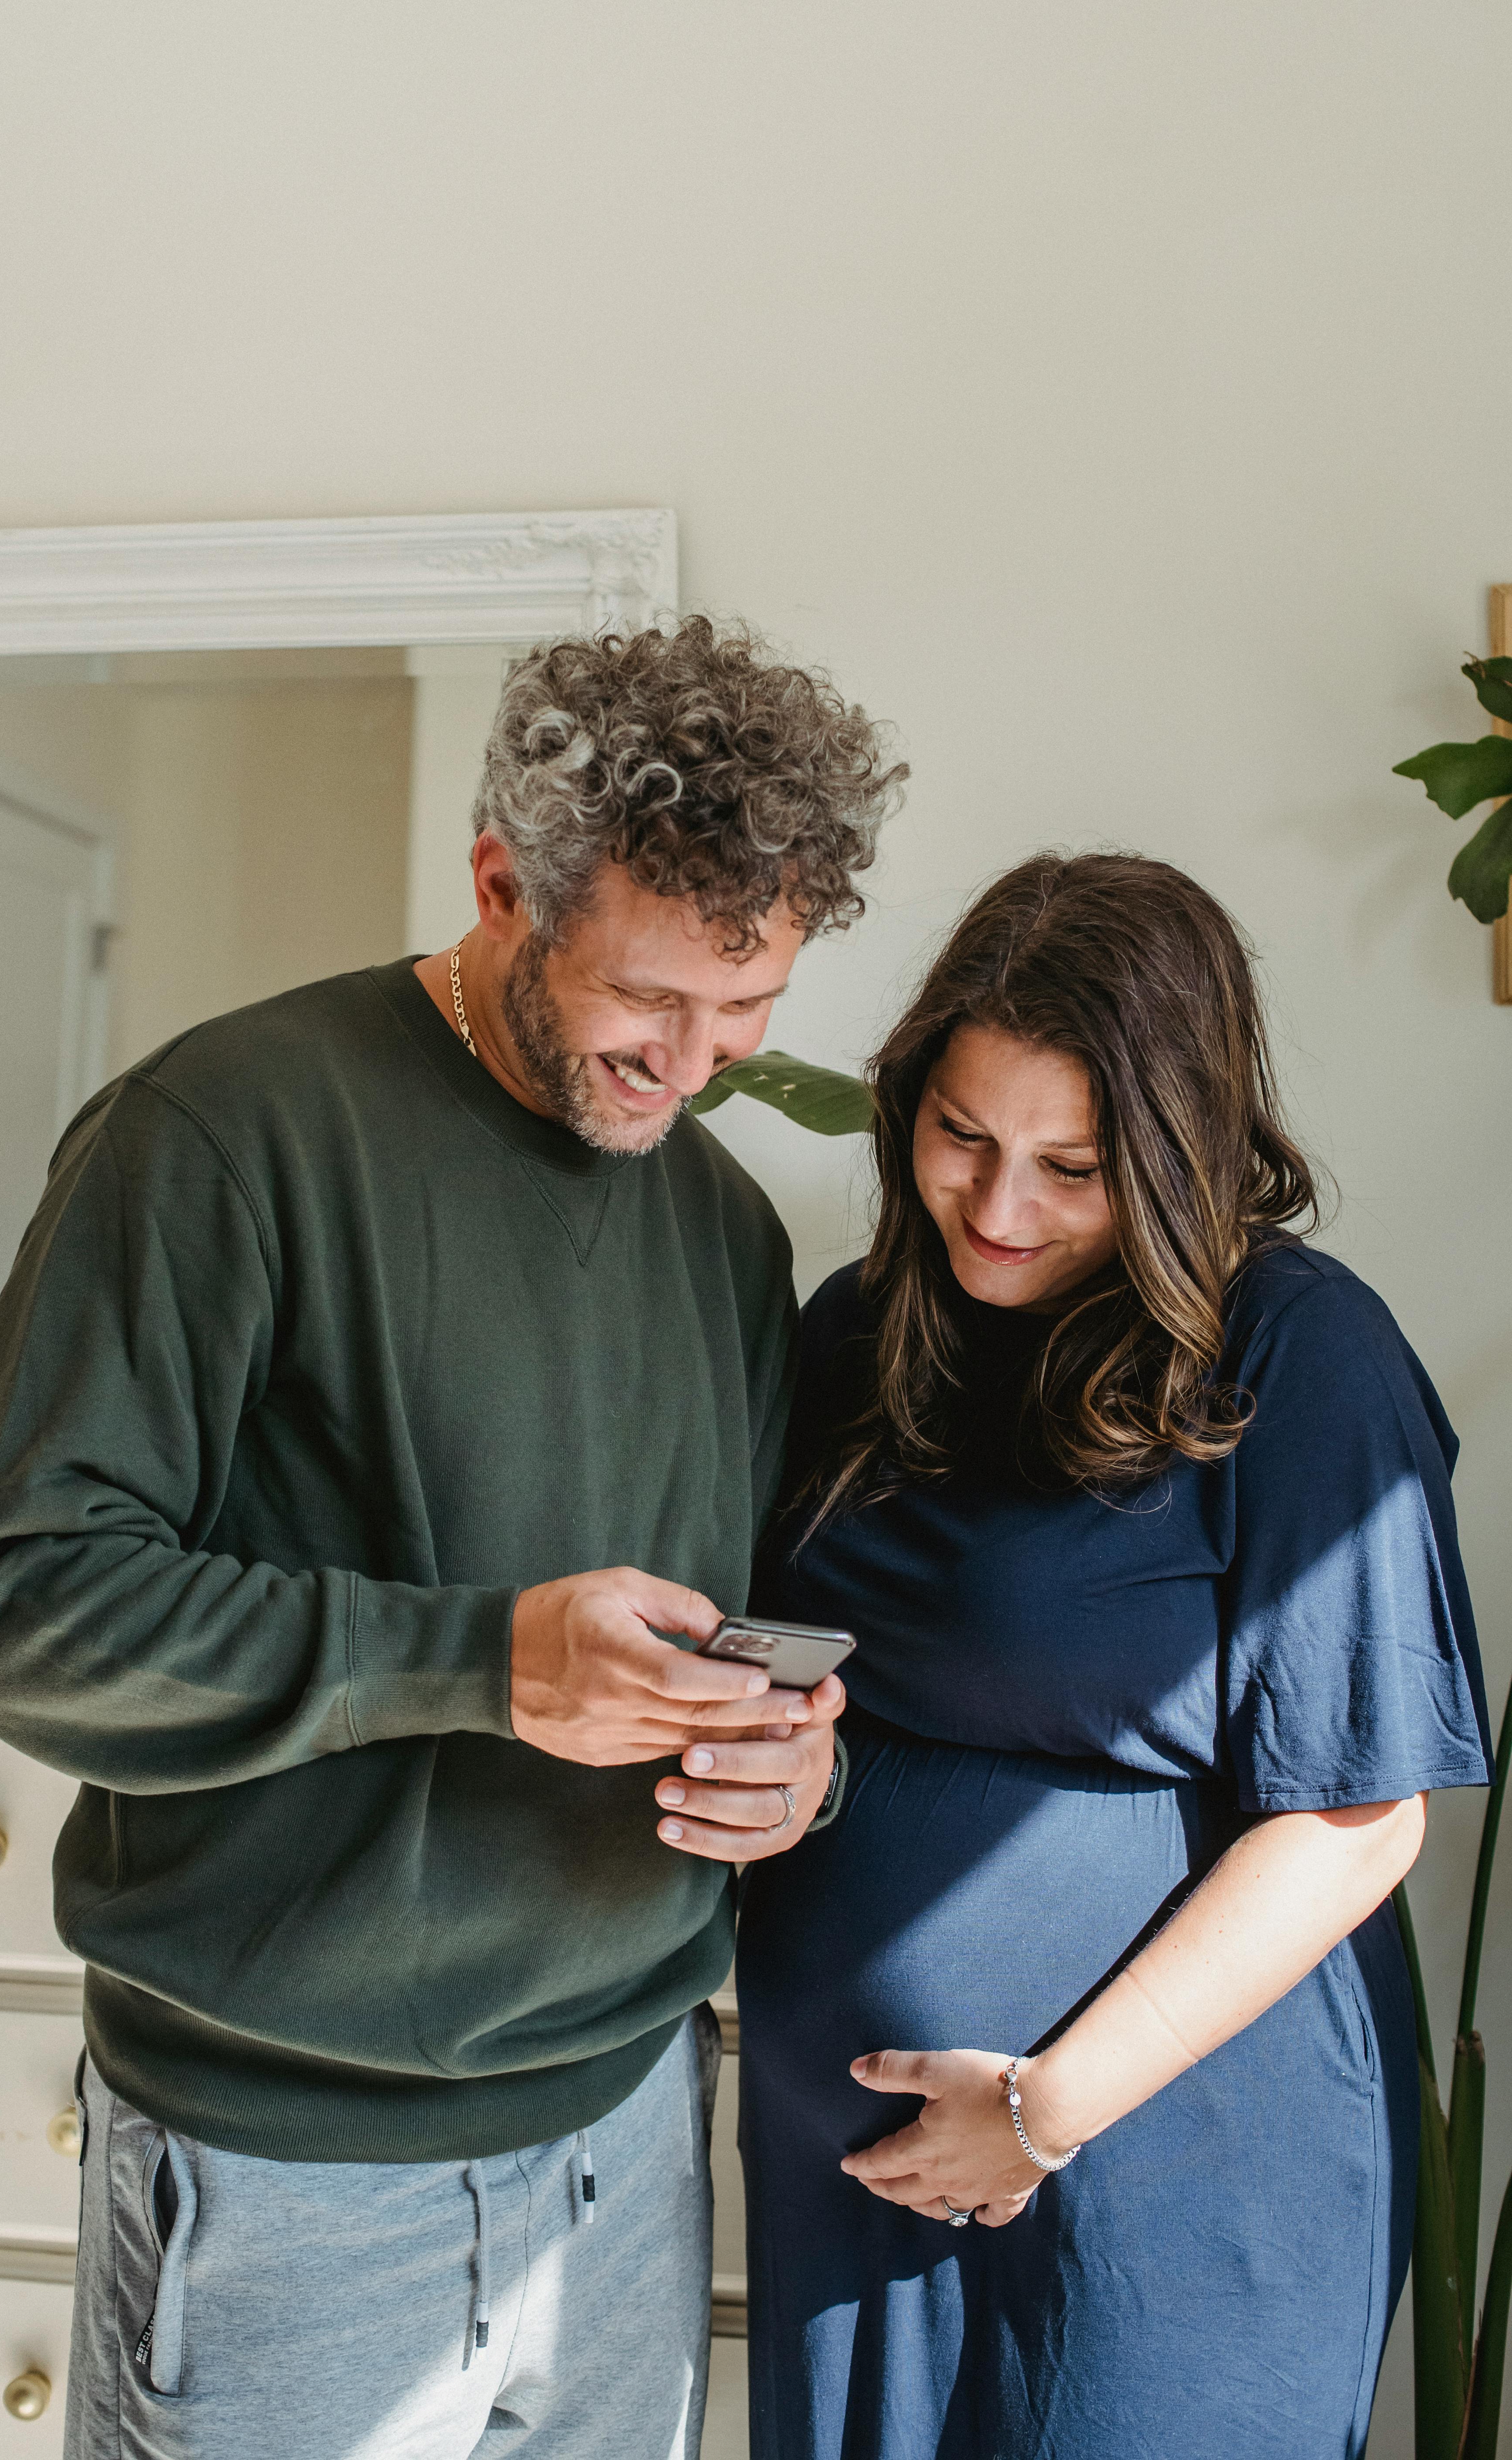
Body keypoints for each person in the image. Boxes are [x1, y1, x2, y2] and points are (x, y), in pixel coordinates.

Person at [0, 616, 904, 2460]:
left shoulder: (720, 1235)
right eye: (647, 1004)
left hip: (628, 2136)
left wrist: (793, 1780)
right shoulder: (220, 1136)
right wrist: (476, 1661)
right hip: (287, 2171)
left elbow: (737, 1641)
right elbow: (20, 1610)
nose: (693, 1066)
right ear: (499, 886)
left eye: (747, 1009)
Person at [736, 851, 1491, 2460]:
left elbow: (1361, 1815)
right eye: (963, 1137)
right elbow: (821, 1680)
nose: (999, 1211)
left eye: (1073, 1170)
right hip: (854, 2179)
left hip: (1161, 2164)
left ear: (1176, 1159)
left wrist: (1040, 2111)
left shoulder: (1300, 1354)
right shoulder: (857, 1332)